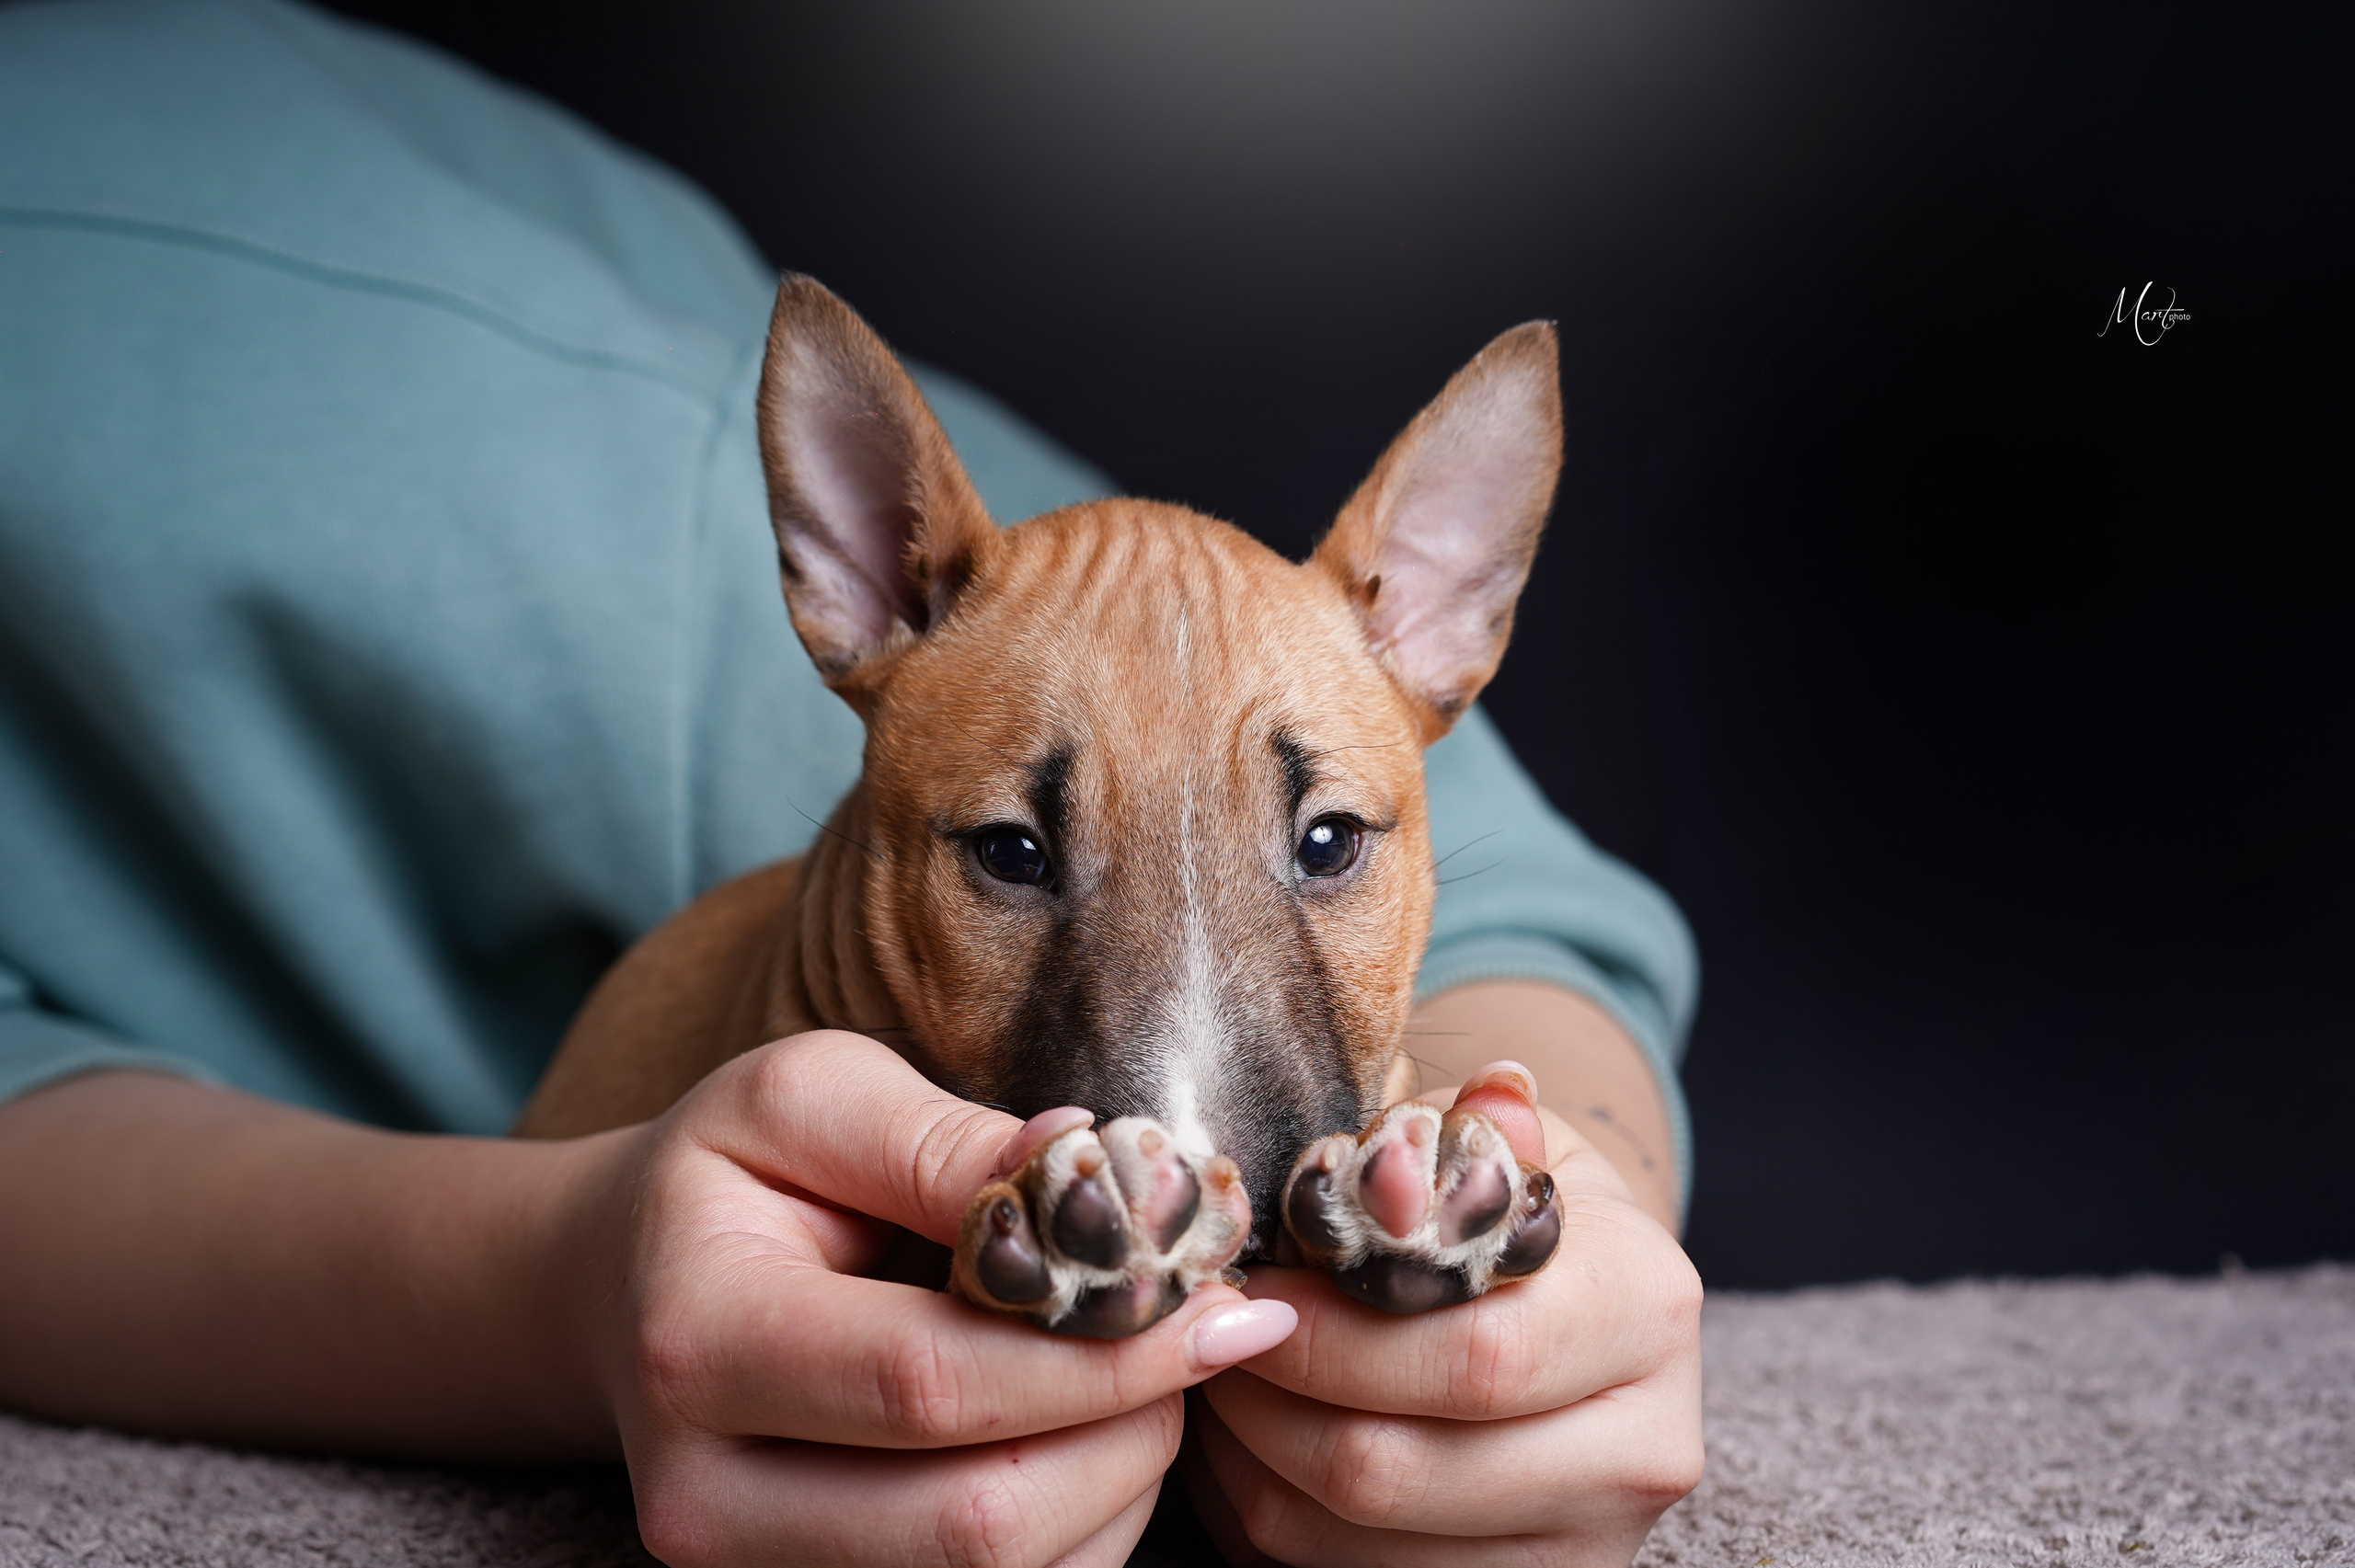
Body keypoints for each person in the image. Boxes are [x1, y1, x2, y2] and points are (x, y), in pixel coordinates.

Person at [0, 1, 1705, 1562]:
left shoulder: (593, 464)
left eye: (1325, 846)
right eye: (1017, 853)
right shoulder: (946, 680)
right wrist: (551, 1299)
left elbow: (1532, 910)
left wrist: (1581, 1197)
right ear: (856, 578)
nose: (1205, 1150)